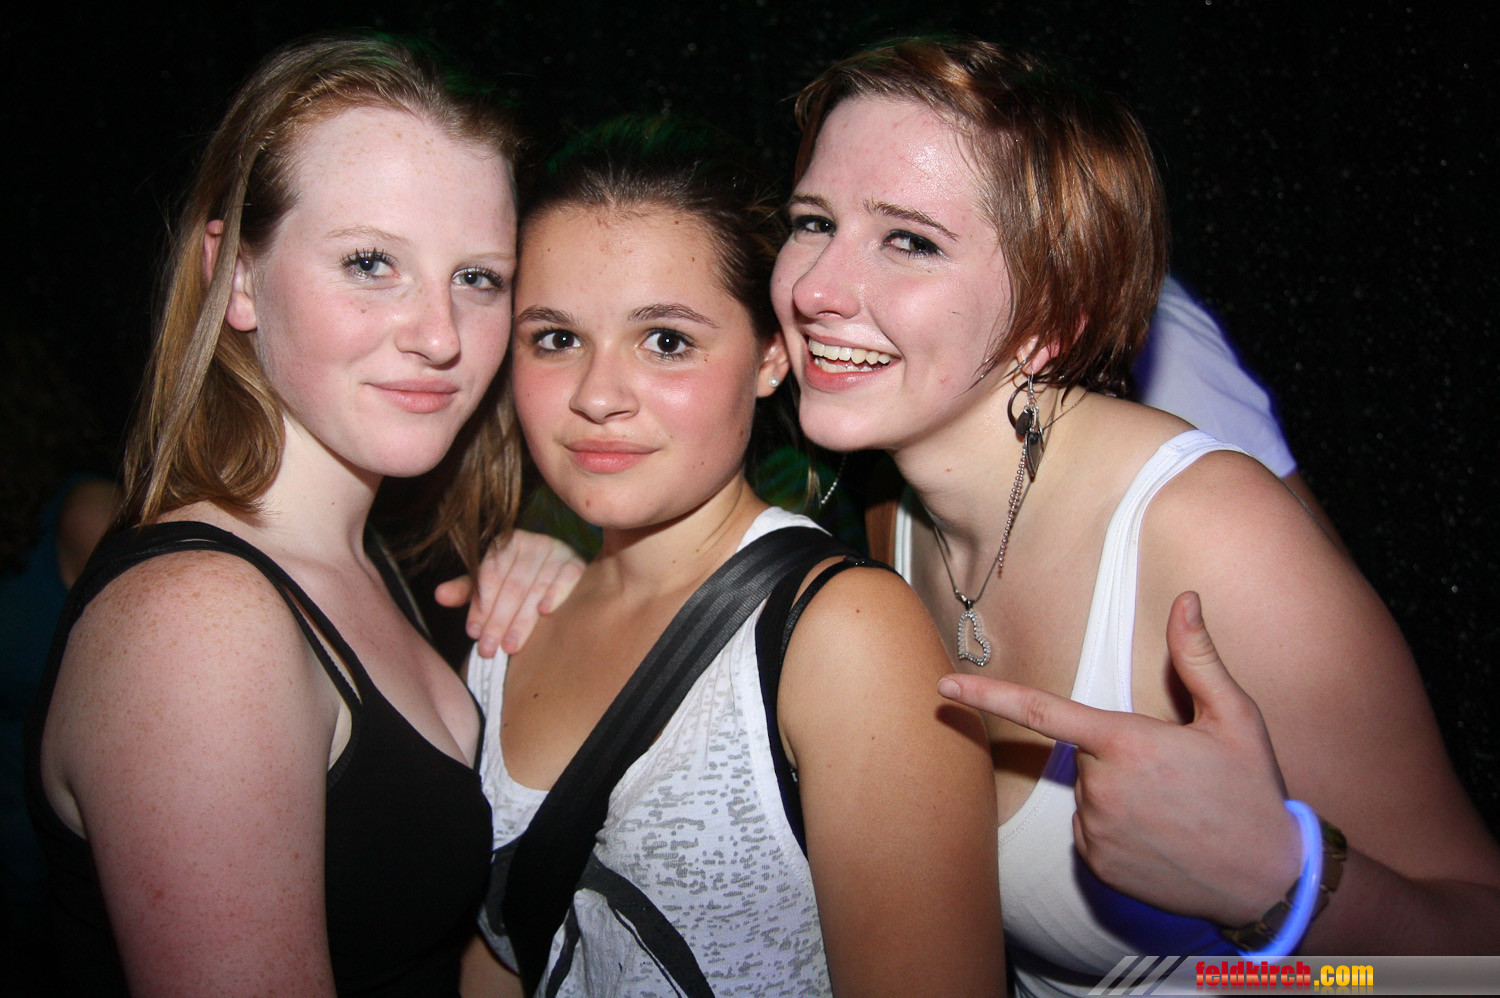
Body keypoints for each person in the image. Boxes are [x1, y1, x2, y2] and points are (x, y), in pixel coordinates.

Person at [769, 36, 1500, 994]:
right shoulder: (888, 514)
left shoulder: (1212, 537)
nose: (814, 290)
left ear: (1049, 316)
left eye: (911, 241)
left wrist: (1280, 889)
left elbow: (1479, 961)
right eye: (813, 221)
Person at [24, 34, 526, 997]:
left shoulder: (373, 560)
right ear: (239, 276)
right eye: (371, 262)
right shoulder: (198, 619)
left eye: (478, 278)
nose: (439, 334)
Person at [460, 117, 1003, 997]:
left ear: (771, 358)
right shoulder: (513, 617)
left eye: (666, 341)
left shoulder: (841, 636)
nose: (598, 395)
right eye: (555, 338)